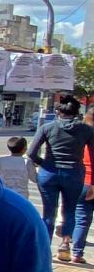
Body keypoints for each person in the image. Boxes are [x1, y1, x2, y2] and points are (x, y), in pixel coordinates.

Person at [28, 96, 94, 261]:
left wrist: (44, 163)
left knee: (49, 213)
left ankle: (44, 249)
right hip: (74, 173)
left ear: (58, 111)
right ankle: (65, 243)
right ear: (77, 112)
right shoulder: (86, 130)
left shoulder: (47, 127)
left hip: (49, 173)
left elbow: (31, 153)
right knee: (70, 210)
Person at [72, 109, 94, 266]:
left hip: (79, 181)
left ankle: (76, 252)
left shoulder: (79, 136)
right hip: (90, 181)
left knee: (81, 219)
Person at [0, 136, 36, 200]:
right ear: (24, 149)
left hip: (5, 194)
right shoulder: (27, 162)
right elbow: (34, 178)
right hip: (22, 196)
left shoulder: (0, 160)